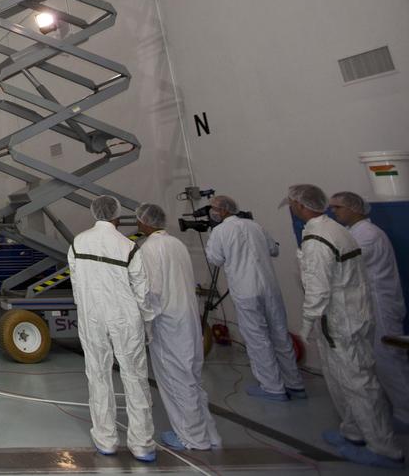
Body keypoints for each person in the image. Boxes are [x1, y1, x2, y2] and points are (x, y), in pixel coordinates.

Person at [286, 184, 403, 468]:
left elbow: (318, 288)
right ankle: (354, 432)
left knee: (358, 384)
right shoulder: (337, 230)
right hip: (348, 317)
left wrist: (306, 325)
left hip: (340, 321)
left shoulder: (317, 239)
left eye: (291, 204)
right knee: (343, 380)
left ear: (300, 206)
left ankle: (384, 449)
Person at [67, 196, 156, 462]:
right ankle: (142, 443)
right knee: (135, 378)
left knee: (97, 375)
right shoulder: (128, 246)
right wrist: (148, 323)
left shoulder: (77, 243)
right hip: (124, 318)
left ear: (95, 213)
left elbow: (75, 282)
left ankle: (105, 439)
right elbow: (142, 291)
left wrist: (85, 308)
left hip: (91, 316)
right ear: (117, 216)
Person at [136, 203, 221, 451]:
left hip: (168, 323)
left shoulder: (149, 249)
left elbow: (152, 291)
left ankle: (192, 438)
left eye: (139, 220)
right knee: (192, 378)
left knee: (176, 381)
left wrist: (146, 325)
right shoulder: (177, 244)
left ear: (146, 222)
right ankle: (210, 433)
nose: (138, 223)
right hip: (188, 319)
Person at [203, 195, 305, 401]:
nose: (211, 212)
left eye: (213, 208)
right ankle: (295, 384)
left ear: (222, 211)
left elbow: (215, 259)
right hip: (269, 287)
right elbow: (273, 249)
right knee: (279, 334)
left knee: (257, 338)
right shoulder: (254, 225)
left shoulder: (220, 231)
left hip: (246, 290)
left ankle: (273, 387)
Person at [330, 190, 409, 427]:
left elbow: (346, 264)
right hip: (368, 304)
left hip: (380, 304)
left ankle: (406, 413)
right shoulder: (354, 233)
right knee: (377, 360)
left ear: (354, 208)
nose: (334, 212)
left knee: (389, 360)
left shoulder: (368, 234)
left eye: (338, 208)